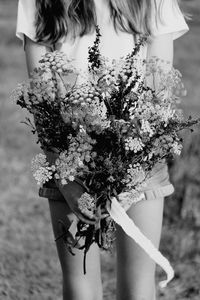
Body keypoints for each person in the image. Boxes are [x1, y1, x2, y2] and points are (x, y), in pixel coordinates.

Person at [16, 1, 189, 299]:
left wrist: (128, 171)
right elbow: (42, 93)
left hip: (140, 160)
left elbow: (157, 89)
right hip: (67, 159)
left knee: (138, 290)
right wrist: (66, 175)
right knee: (80, 290)